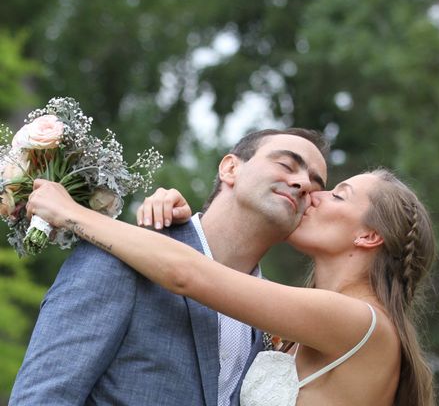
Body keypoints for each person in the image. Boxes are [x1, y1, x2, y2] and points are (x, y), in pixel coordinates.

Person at [25, 167, 437, 405]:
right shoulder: (294, 329)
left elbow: (188, 274)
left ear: (368, 237)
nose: (314, 195)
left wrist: (71, 211)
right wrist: (184, 224)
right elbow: (210, 270)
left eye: (338, 196)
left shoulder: (357, 320)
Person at [9, 128, 329, 406]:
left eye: (316, 187)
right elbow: (44, 396)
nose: (303, 183)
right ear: (230, 168)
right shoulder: (116, 257)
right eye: (287, 165)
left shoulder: (270, 318)